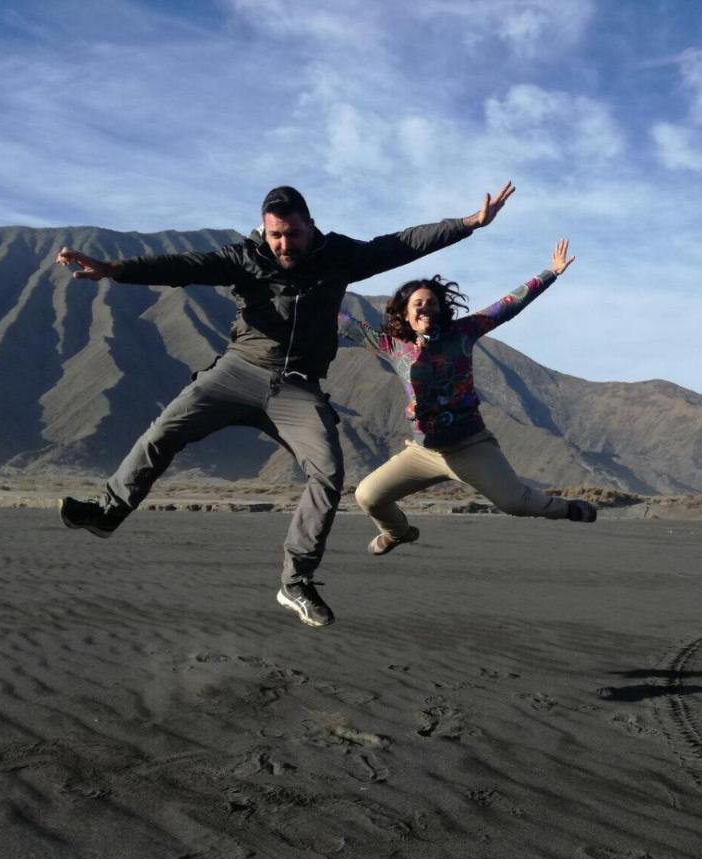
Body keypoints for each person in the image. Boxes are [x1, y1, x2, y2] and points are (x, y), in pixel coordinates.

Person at [55, 182, 515, 628]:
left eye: (292, 234)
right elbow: (183, 266)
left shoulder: (338, 256)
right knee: (165, 430)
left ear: (310, 227)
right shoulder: (244, 257)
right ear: (263, 230)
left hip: (298, 386)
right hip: (239, 370)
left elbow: (400, 245)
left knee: (329, 472)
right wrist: (115, 269)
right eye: (274, 234)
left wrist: (469, 222)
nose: (283, 243)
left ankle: (296, 580)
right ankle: (108, 511)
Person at [337, 238, 596, 555]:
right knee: (367, 496)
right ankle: (398, 533)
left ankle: (565, 508)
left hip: (470, 445)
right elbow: (345, 324)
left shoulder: (463, 333)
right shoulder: (393, 347)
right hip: (423, 452)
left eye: (431, 302)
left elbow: (505, 307)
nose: (425, 307)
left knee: (515, 502)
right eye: (417, 303)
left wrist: (549, 274)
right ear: (404, 314)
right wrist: (302, 295)